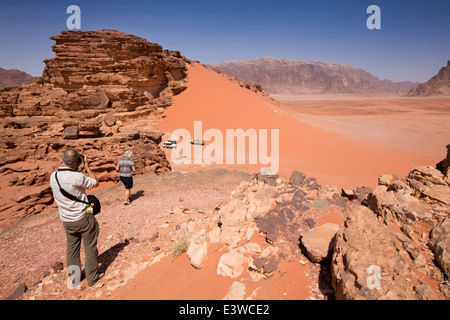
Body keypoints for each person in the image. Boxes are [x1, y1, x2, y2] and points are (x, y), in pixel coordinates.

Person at [49, 148, 104, 287]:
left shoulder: (53, 176)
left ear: (63, 159)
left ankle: (74, 279)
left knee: (72, 249)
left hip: (67, 220)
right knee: (90, 247)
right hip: (83, 218)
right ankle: (92, 277)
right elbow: (94, 182)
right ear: (76, 162)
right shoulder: (77, 177)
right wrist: (87, 167)